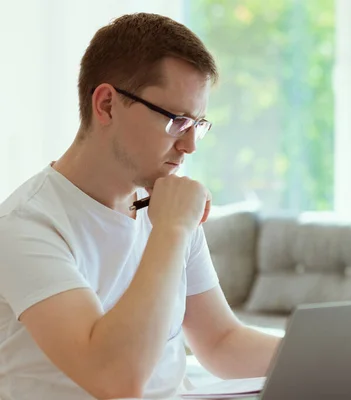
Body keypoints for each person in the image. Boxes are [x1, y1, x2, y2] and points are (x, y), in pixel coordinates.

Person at [0, 12, 281, 400]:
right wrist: (171, 231)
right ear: (107, 105)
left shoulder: (167, 209)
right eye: (177, 121)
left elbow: (220, 342)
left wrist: (332, 357)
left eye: (197, 124)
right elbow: (115, 380)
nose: (190, 146)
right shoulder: (24, 226)